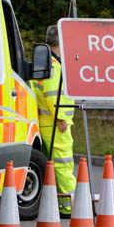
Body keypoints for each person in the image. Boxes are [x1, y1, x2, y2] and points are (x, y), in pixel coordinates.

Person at [32, 25, 76, 217]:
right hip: (56, 123)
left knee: (54, 164)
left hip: (48, 121)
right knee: (63, 164)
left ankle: (58, 202)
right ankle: (69, 205)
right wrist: (61, 118)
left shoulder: (44, 62)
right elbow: (52, 94)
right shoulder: (52, 65)